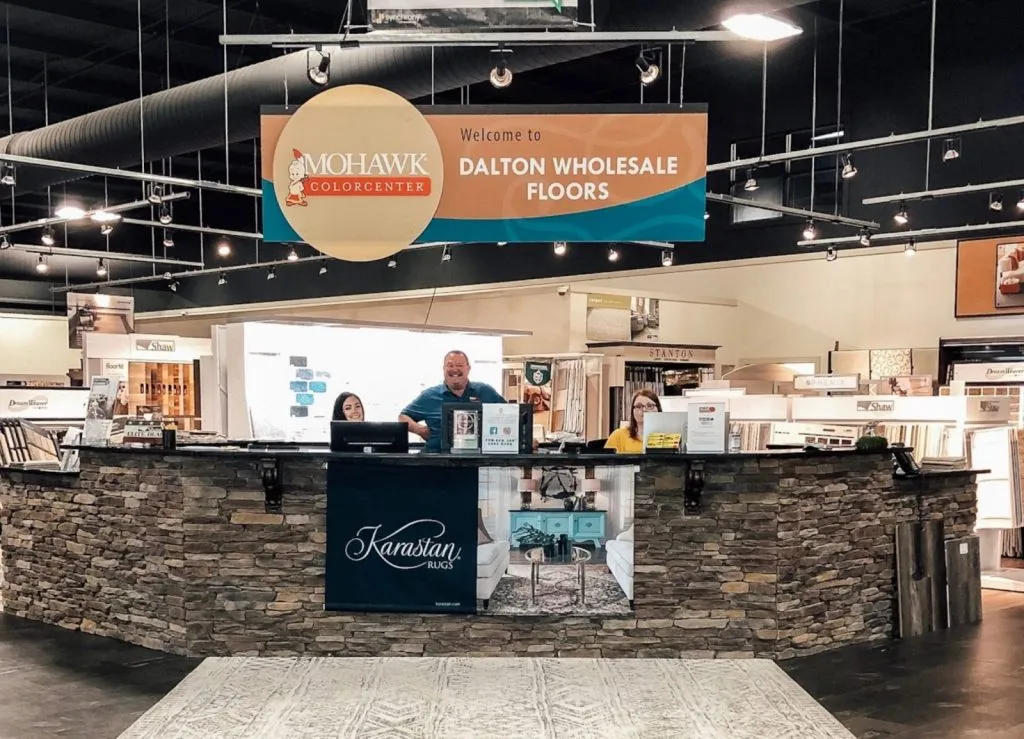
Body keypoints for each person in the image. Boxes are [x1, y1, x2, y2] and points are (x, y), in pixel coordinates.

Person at [399, 350, 505, 452]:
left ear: (468, 368)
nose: (454, 369)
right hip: (437, 458)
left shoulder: (485, 392)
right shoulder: (429, 396)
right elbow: (403, 417)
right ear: (443, 369)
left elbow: (509, 413)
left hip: (478, 459)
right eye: (450, 365)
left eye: (459, 365)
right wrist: (420, 429)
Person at [605, 389, 662, 454]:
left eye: (649, 406)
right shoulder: (618, 435)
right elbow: (605, 460)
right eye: (638, 406)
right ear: (632, 411)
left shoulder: (669, 436)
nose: (644, 410)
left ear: (658, 409)